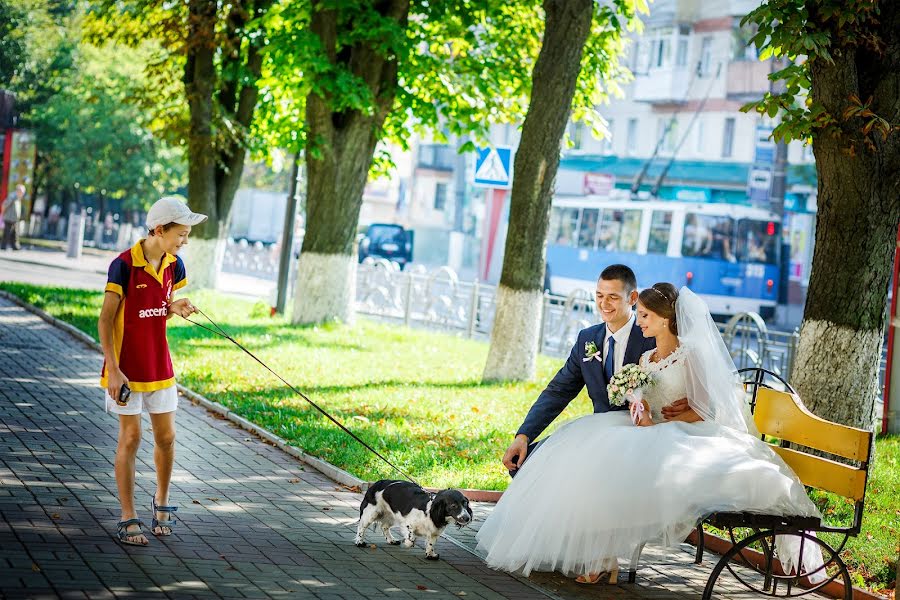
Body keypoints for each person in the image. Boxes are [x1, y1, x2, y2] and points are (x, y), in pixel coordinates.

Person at [477, 283, 823, 584]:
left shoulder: (692, 355)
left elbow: (708, 409)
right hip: (650, 430)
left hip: (688, 435)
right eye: (639, 315)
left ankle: (601, 558)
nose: (638, 321)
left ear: (665, 318)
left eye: (644, 316)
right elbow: (637, 399)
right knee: (585, 449)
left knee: (616, 465)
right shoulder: (646, 357)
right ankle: (599, 556)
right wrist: (638, 407)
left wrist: (671, 418)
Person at [98, 196, 207, 546]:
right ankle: (128, 516)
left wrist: (173, 306)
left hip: (160, 367)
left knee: (167, 439)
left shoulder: (176, 266)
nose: (185, 240)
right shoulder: (124, 265)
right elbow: (105, 318)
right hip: (125, 370)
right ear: (160, 230)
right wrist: (113, 370)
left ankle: (161, 501)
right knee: (131, 438)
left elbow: (158, 307)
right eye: (182, 233)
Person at [501, 264, 658, 477]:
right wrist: (523, 436)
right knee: (524, 464)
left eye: (613, 297)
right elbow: (558, 391)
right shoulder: (588, 339)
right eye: (600, 295)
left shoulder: (650, 338)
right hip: (597, 430)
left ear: (632, 298)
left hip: (638, 436)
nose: (604, 303)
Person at [2, 184, 25, 250]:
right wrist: (3, 214)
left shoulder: (17, 198)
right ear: (18, 191)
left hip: (14, 219)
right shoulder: (12, 197)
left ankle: (15, 246)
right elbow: (4, 205)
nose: (23, 194)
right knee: (7, 232)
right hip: (9, 218)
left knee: (14, 233)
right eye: (22, 192)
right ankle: (3, 246)